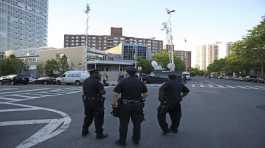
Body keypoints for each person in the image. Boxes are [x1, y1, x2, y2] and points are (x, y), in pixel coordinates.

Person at [112, 67, 148, 146]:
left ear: (127, 73)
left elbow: (115, 94)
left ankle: (122, 141)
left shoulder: (123, 81)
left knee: (123, 124)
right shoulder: (140, 82)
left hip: (125, 105)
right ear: (135, 73)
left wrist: (114, 104)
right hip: (137, 105)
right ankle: (136, 140)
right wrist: (141, 99)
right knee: (137, 123)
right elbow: (146, 94)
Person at [81, 69, 108, 139]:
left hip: (87, 102)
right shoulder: (97, 82)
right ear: (94, 74)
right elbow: (103, 92)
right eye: (98, 73)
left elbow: (84, 92)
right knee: (98, 118)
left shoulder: (85, 81)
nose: (99, 75)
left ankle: (84, 131)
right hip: (96, 103)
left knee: (88, 117)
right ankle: (99, 134)